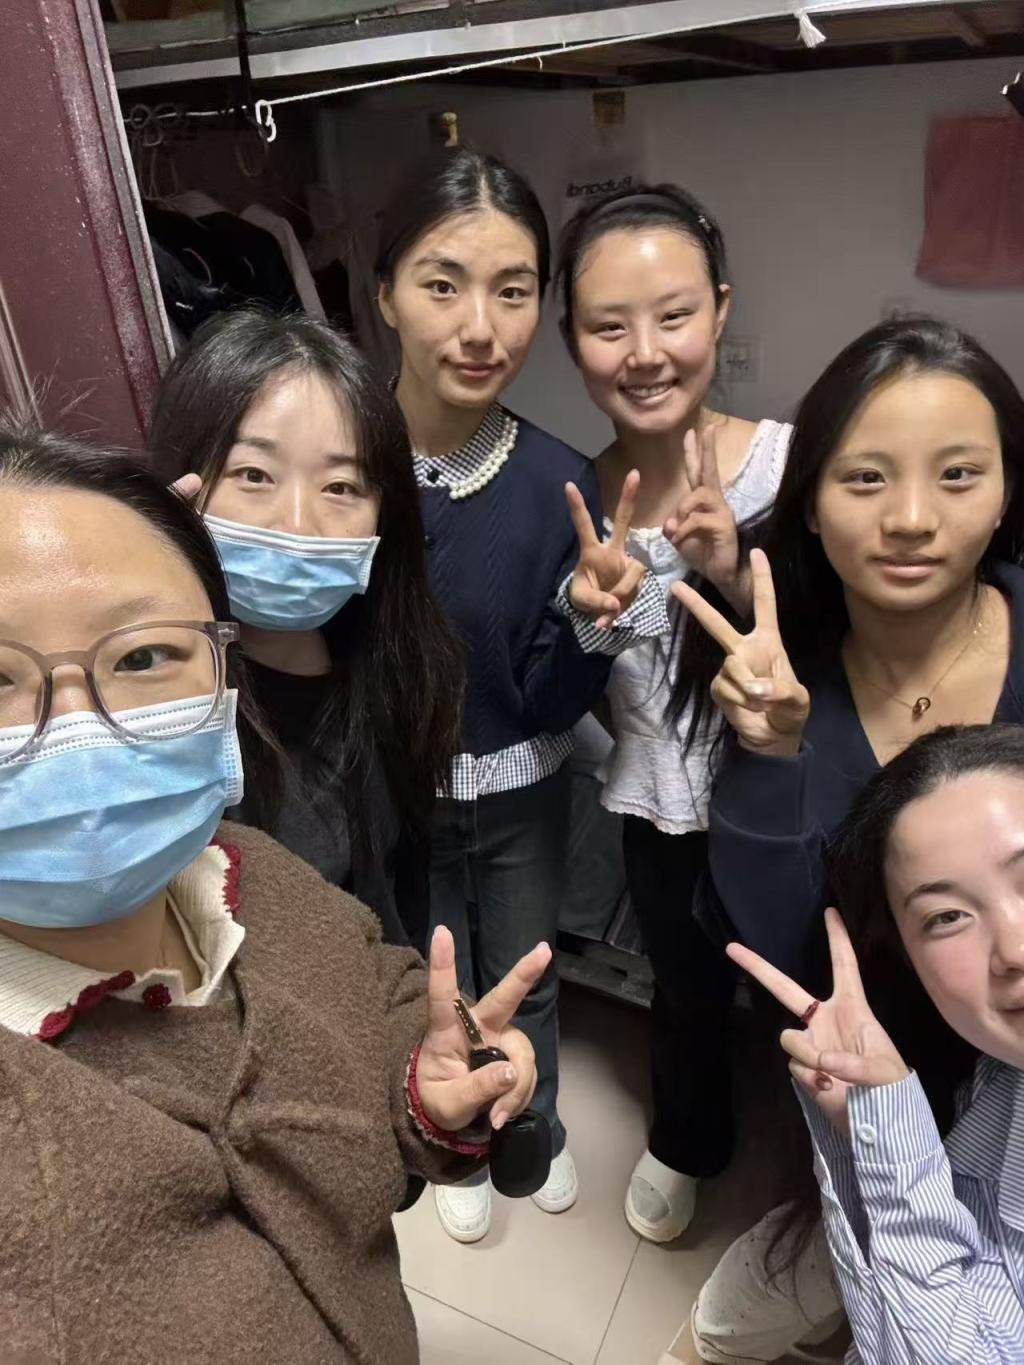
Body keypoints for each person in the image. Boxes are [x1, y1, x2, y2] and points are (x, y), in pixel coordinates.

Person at [0, 418, 544, 1362]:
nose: (80, 728)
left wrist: (422, 1093)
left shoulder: (248, 872)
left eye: (142, 656)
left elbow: (373, 991)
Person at [662, 315, 1024, 1363]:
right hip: (864, 1060)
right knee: (845, 1251)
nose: (910, 518)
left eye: (958, 475)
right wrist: (770, 754)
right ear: (810, 505)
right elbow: (776, 940)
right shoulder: (779, 672)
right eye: (865, 479)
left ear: (1008, 490)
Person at [375, 147, 669, 1241]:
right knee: (422, 977)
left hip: (520, 796)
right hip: (389, 797)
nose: (479, 327)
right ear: (385, 293)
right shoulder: (339, 467)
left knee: (529, 972)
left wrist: (594, 618)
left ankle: (528, 1126)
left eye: (511, 292)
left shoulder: (560, 485)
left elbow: (547, 702)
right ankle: (448, 1133)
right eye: (442, 284)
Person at [555, 182, 792, 1242]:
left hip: (786, 795)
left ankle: (842, 1173)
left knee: (814, 983)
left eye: (674, 315)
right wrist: (591, 617)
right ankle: (687, 1139)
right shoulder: (574, 497)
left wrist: (732, 567)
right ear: (571, 339)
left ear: (721, 311)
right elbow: (574, 685)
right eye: (609, 326)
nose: (645, 352)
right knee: (685, 987)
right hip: (659, 806)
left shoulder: (792, 465)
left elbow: (841, 651)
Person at [149, 309, 463, 953]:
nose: (297, 521)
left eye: (341, 486)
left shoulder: (399, 672)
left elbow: (396, 895)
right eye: (253, 475)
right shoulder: (143, 707)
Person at [733, 722, 1024, 1364]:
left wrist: (893, 1145)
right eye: (947, 916)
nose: (1015, 948)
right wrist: (869, 1129)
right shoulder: (999, 1070)